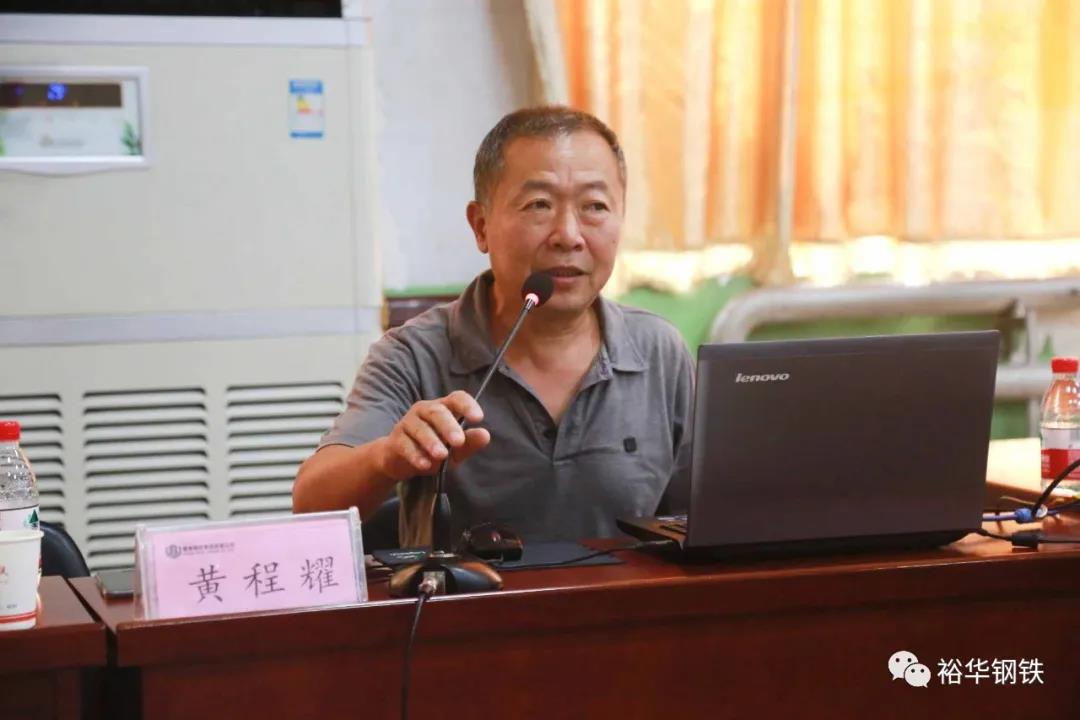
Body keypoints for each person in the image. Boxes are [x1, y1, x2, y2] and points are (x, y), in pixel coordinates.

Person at [292, 106, 693, 547]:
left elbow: (698, 519)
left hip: (627, 595)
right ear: (481, 226)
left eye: (595, 206)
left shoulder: (659, 351)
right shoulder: (414, 354)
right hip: (469, 594)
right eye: (539, 205)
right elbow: (311, 504)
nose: (568, 235)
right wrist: (386, 458)